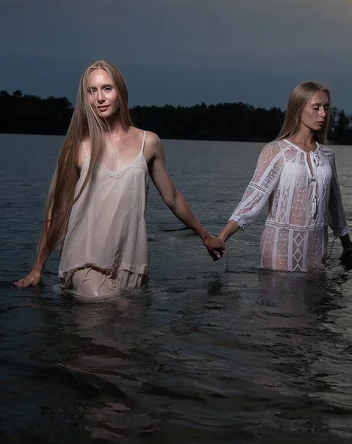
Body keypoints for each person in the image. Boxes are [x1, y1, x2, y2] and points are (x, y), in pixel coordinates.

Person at [15, 60, 224, 299]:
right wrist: (37, 268)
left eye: (107, 88)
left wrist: (205, 235)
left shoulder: (149, 142)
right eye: (91, 91)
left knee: (128, 329)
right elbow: (57, 209)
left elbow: (173, 197)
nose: (100, 98)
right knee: (102, 305)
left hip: (132, 264)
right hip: (85, 262)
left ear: (121, 93)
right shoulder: (77, 148)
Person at [218, 81, 352, 272]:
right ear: (298, 108)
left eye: (325, 108)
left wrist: (347, 243)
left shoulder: (327, 155)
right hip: (281, 246)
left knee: (315, 300)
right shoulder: (276, 151)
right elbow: (253, 198)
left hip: (316, 248)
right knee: (282, 299)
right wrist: (222, 237)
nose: (323, 114)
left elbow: (335, 203)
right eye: (316, 107)